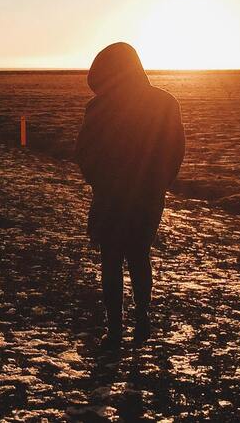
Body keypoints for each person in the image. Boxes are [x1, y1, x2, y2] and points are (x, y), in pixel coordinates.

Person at [75, 43, 185, 347]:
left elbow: (84, 152)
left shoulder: (97, 107)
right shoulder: (164, 103)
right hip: (147, 197)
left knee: (110, 260)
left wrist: (99, 180)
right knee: (139, 256)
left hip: (110, 196)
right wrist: (159, 183)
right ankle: (142, 320)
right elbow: (175, 150)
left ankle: (114, 328)